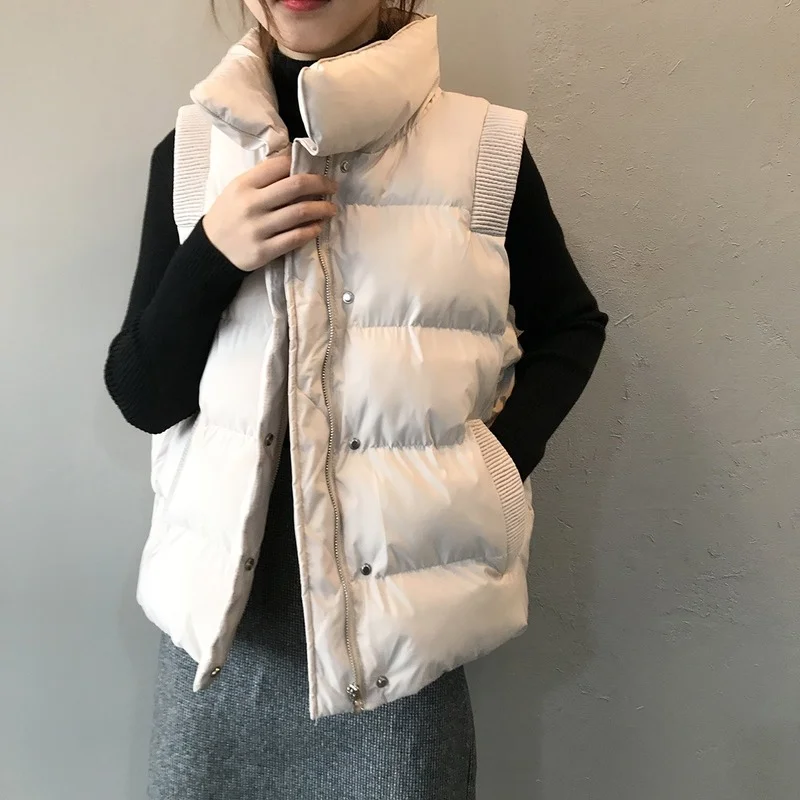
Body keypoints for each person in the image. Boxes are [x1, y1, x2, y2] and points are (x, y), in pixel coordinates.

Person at [104, 0, 608, 797]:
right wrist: (212, 254)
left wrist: (491, 470)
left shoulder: (483, 149)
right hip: (218, 660)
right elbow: (144, 396)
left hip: (401, 663)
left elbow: (571, 326)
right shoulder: (193, 153)